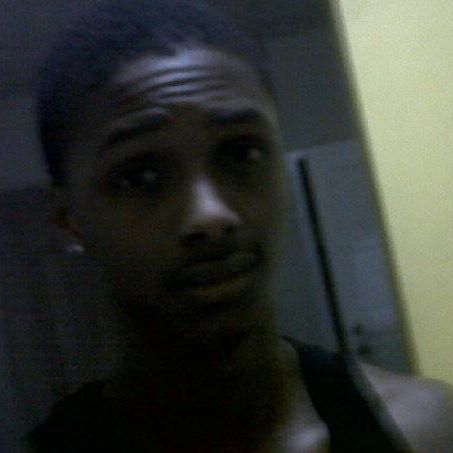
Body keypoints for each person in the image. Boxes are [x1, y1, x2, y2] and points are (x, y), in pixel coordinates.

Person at [25, 0, 453, 451]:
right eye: (142, 176)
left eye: (242, 153)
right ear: (68, 220)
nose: (210, 216)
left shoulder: (428, 430)